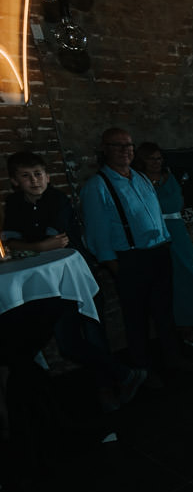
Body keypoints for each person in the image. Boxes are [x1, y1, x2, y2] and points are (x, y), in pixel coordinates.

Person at [3, 151, 146, 409]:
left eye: (38, 174)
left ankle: (109, 388)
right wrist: (36, 246)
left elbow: (55, 241)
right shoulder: (14, 204)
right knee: (69, 343)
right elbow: (12, 243)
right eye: (26, 176)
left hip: (78, 277)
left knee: (93, 334)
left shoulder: (57, 199)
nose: (34, 180)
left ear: (47, 176)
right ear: (14, 181)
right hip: (49, 286)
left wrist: (28, 246)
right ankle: (126, 375)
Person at [80, 128, 191, 378]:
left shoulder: (140, 178)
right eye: (118, 146)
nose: (125, 150)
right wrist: (116, 266)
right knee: (136, 320)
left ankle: (174, 359)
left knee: (164, 313)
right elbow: (97, 235)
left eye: (129, 145)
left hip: (159, 254)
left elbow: (156, 216)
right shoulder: (98, 187)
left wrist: (165, 242)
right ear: (104, 149)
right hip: (130, 260)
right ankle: (144, 371)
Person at [133, 143, 193, 347]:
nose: (157, 162)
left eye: (159, 158)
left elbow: (176, 204)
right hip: (155, 234)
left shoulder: (169, 176)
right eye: (152, 158)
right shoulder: (138, 181)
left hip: (177, 231)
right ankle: (183, 327)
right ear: (142, 160)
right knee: (171, 280)